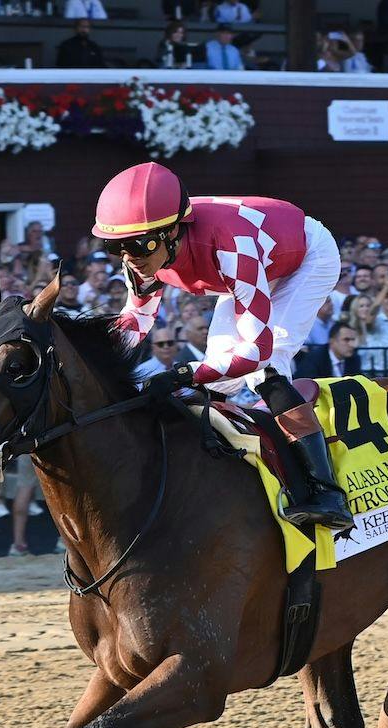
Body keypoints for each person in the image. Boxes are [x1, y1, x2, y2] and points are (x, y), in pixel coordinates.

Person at [95, 161, 353, 529]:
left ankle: (326, 494)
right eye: (114, 247)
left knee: (267, 368)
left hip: (305, 258)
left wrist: (182, 373)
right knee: (218, 371)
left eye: (137, 245)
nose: (128, 257)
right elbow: (137, 319)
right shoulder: (143, 253)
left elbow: (257, 351)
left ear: (171, 232)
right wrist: (91, 357)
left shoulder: (230, 245)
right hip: (253, 262)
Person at [294, 322, 362, 378]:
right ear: (332, 341)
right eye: (346, 340)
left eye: (353, 340)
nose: (352, 344)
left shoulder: (354, 359)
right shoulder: (314, 358)